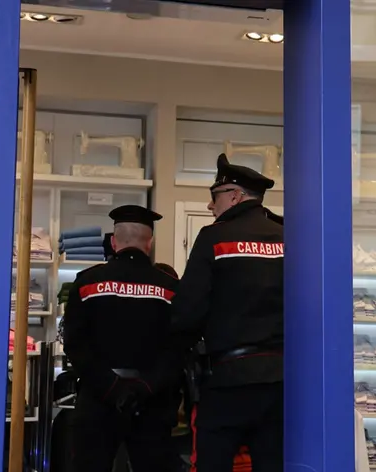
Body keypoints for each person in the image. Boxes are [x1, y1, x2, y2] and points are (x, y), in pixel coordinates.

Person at [169, 154, 284, 472]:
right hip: (281, 381)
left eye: (214, 196)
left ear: (235, 196)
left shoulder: (214, 237)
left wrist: (178, 356)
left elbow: (187, 312)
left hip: (228, 380)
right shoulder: (286, 236)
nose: (210, 205)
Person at [62, 205, 181, 472]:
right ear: (149, 243)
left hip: (97, 399)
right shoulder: (171, 287)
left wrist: (111, 387)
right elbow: (178, 347)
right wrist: (145, 386)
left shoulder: (87, 282)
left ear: (114, 242)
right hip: (152, 402)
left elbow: (75, 344)